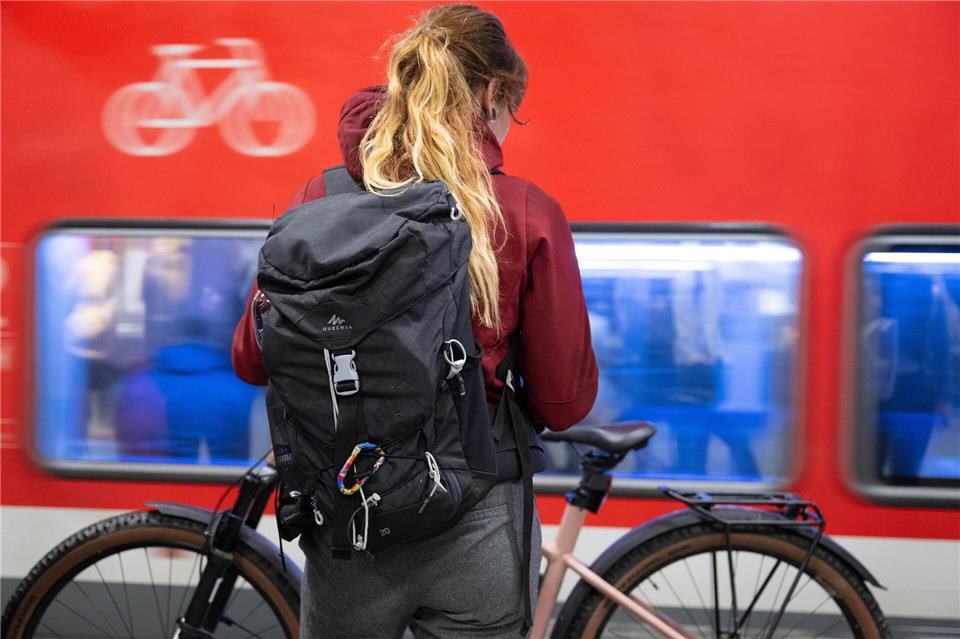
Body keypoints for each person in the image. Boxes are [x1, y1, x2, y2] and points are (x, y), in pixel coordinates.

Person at [231, 4, 598, 637]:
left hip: (350, 513)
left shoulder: (320, 199)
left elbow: (250, 357)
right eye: (514, 107)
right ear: (491, 94)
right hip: (477, 517)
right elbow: (565, 402)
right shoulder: (525, 211)